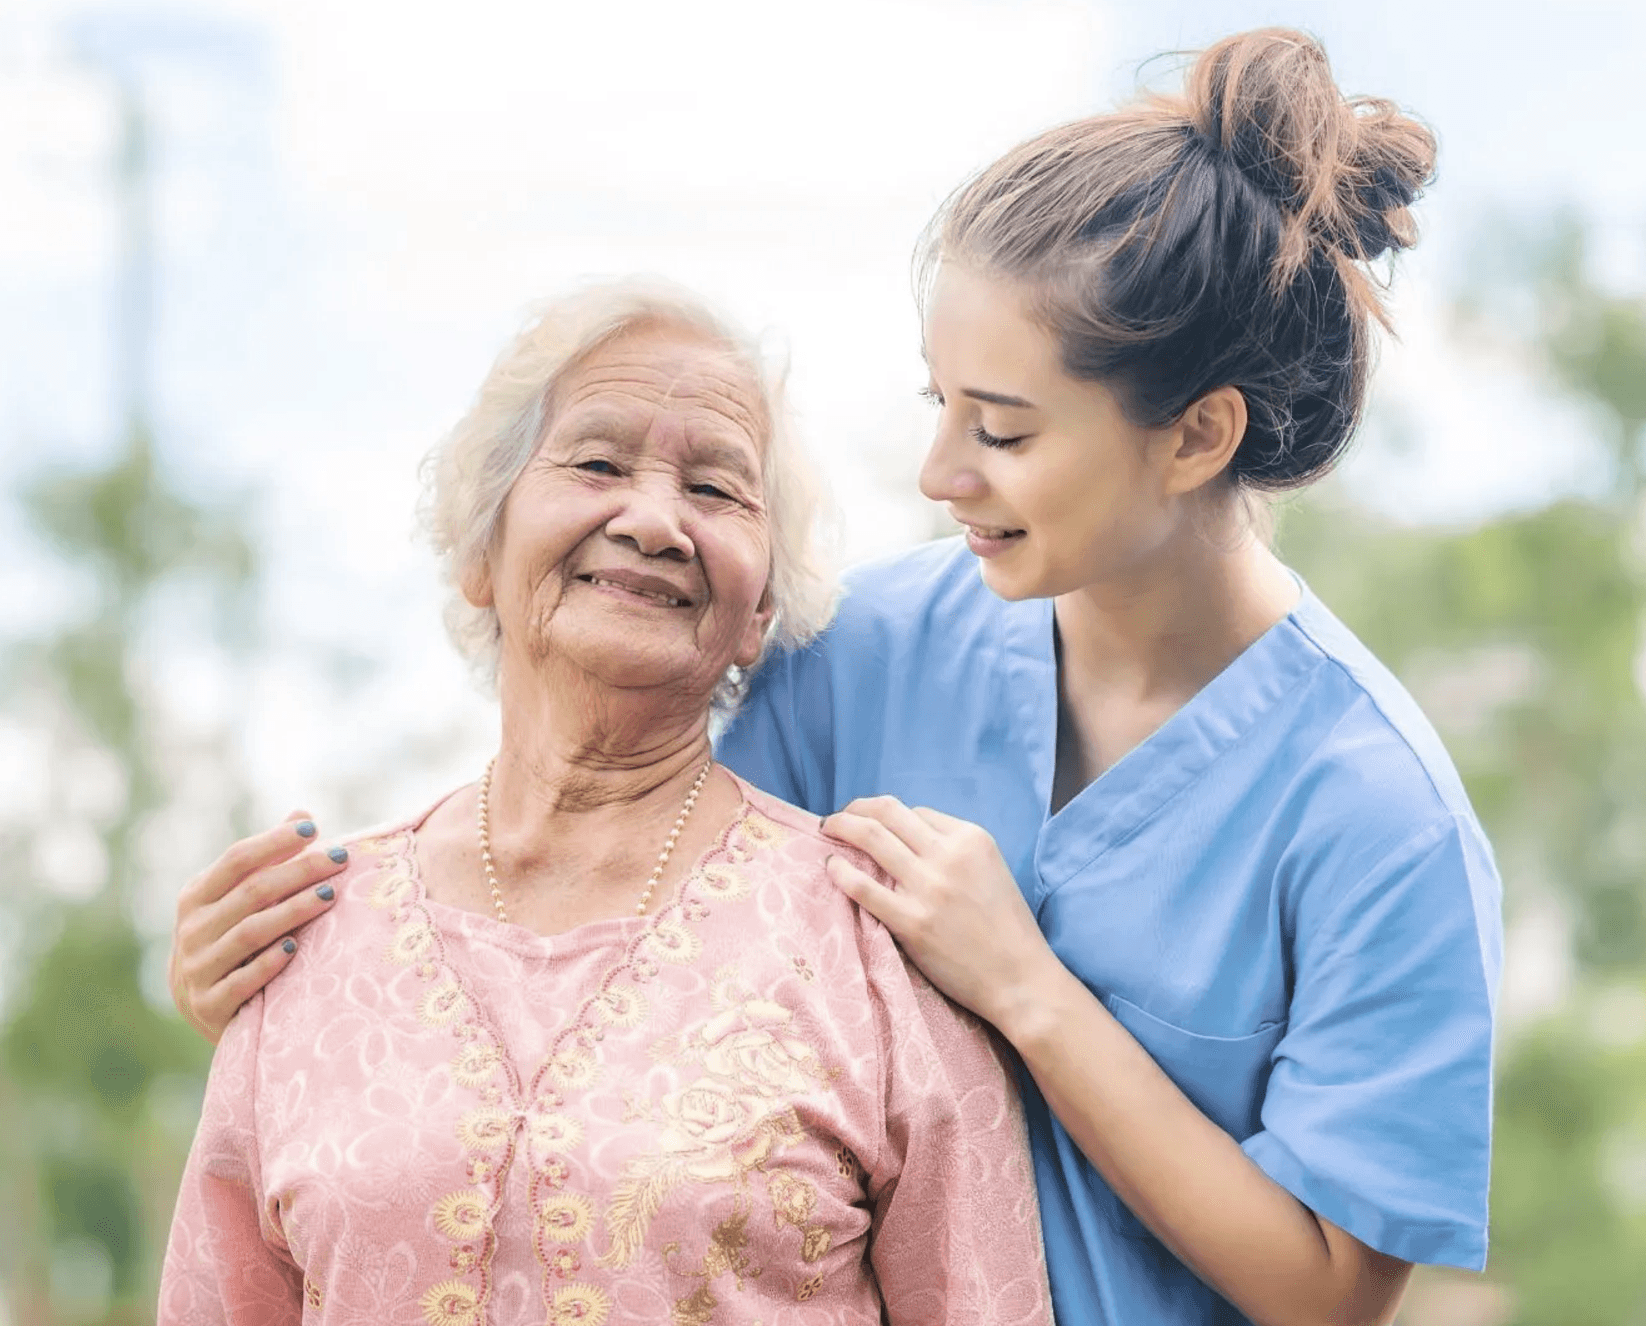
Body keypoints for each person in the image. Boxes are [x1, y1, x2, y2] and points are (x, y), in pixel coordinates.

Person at [170, 29, 1499, 1326]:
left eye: (1005, 429)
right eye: (939, 404)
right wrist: (307, 991)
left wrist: (1028, 989)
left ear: (1198, 435)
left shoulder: (1377, 814)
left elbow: (1331, 1293)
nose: (941, 474)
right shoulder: (863, 652)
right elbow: (619, 914)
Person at [158, 281, 1052, 1326]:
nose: (654, 520)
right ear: (479, 550)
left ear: (759, 608)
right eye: (595, 464)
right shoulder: (303, 938)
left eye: (715, 490)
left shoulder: (876, 943)